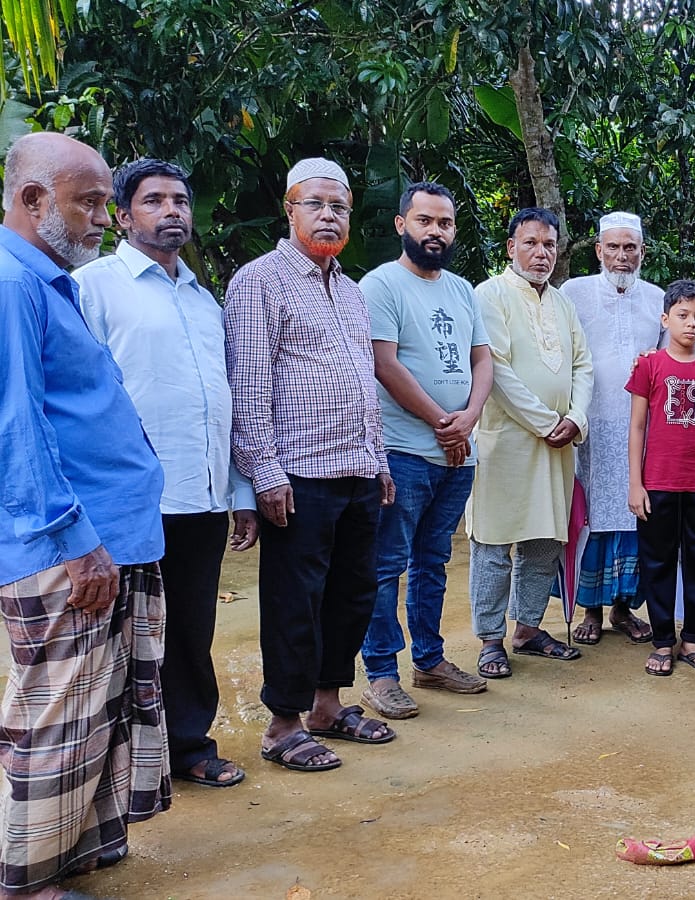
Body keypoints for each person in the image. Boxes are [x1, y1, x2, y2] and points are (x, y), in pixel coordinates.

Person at [0, 132, 169, 899]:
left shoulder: (47, 279)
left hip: (111, 537)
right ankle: (27, 879)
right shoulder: (11, 282)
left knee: (99, 708)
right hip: (71, 548)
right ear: (33, 201)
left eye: (106, 201)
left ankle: (79, 846)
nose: (105, 218)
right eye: (90, 202)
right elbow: (17, 428)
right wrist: (75, 542)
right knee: (55, 714)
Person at [76, 158, 258, 790]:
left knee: (189, 628)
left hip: (201, 495)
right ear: (123, 217)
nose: (173, 210)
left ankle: (187, 745)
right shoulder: (93, 287)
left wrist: (238, 491)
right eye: (154, 201)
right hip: (131, 500)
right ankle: (109, 764)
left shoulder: (205, 299)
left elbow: (223, 401)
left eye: (180, 199)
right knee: (115, 638)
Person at [226, 157, 397, 773]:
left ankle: (329, 705)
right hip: (297, 474)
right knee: (295, 601)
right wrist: (263, 471)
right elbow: (248, 385)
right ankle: (283, 723)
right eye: (316, 204)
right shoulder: (259, 280)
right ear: (290, 210)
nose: (329, 215)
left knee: (352, 595)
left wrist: (377, 460)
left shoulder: (350, 291)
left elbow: (364, 384)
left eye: (340, 206)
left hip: (356, 469)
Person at [356, 182, 493, 719]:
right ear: (401, 225)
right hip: (403, 450)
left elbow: (483, 360)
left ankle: (431, 660)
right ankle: (382, 673)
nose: (435, 231)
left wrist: (469, 418)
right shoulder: (381, 285)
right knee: (387, 563)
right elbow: (383, 363)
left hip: (458, 454)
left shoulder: (461, 290)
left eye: (445, 223)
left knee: (434, 560)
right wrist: (441, 421)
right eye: (424, 221)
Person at [466, 207, 594, 678]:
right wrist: (547, 422)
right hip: (507, 443)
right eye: (531, 244)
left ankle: (528, 628)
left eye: (549, 245)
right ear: (510, 248)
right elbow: (494, 370)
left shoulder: (562, 303)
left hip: (559, 444)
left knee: (544, 540)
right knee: (494, 543)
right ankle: (490, 639)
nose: (541, 254)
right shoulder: (490, 295)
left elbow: (583, 364)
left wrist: (576, 418)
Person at [626, 280, 695, 675]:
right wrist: (635, 483)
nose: (691, 324)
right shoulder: (649, 365)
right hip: (657, 482)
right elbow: (637, 426)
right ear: (665, 318)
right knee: (656, 562)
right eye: (682, 316)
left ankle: (692, 637)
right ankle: (661, 641)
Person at [563, 211, 662, 645]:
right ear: (599, 250)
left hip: (641, 427)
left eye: (630, 248)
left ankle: (623, 609)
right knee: (591, 513)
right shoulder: (574, 292)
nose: (622, 257)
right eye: (614, 247)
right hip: (588, 424)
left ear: (642, 251)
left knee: (634, 512)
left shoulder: (658, 298)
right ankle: (591, 611)